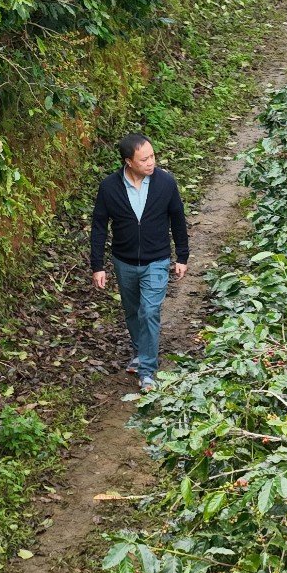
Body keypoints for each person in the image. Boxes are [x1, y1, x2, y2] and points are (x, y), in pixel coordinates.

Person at [88, 134, 189, 385]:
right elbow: (99, 226)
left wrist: (182, 256)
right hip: (124, 261)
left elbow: (178, 219)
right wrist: (97, 265)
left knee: (149, 311)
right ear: (128, 162)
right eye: (144, 159)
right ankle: (139, 351)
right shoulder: (109, 187)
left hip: (157, 260)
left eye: (152, 156)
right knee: (133, 311)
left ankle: (147, 371)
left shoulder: (165, 183)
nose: (151, 162)